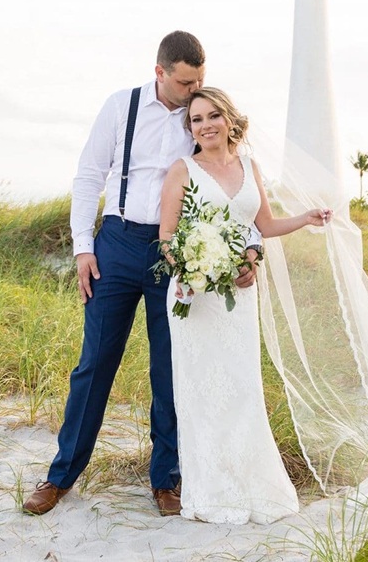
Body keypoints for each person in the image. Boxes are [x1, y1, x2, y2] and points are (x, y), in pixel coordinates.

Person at [23, 32, 262, 517]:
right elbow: (89, 175)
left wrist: (252, 248)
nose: (195, 89)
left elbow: (233, 189)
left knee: (170, 370)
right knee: (94, 365)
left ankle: (166, 481)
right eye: (185, 81)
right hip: (116, 243)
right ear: (160, 72)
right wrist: (82, 250)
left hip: (178, 252)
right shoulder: (120, 107)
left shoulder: (204, 118)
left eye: (201, 80)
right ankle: (60, 475)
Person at [158, 87, 331, 524]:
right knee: (202, 392)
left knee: (242, 388)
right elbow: (167, 239)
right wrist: (193, 269)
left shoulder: (250, 167)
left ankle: (250, 483)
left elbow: (264, 225)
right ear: (191, 128)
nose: (205, 125)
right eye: (196, 120)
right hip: (195, 297)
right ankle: (211, 490)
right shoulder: (182, 170)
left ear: (229, 119)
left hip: (239, 295)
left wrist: (302, 220)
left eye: (213, 115)